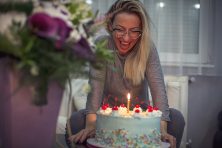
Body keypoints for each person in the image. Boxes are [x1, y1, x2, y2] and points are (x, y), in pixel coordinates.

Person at [66, 0, 185, 148]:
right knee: (76, 120)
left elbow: (158, 92)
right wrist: (91, 125)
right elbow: (94, 90)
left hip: (142, 121)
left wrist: (161, 131)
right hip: (107, 120)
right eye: (120, 29)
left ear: (141, 31)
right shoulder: (102, 45)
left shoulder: (147, 48)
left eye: (134, 31)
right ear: (110, 27)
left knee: (176, 118)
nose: (126, 38)